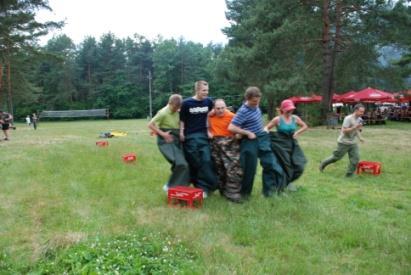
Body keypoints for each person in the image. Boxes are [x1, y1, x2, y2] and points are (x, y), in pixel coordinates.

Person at [228, 87, 286, 198]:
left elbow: (257, 118)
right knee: (250, 168)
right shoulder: (243, 111)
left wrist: (263, 129)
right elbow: (231, 127)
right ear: (247, 99)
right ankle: (245, 195)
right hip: (249, 140)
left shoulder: (256, 105)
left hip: (262, 137)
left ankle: (269, 192)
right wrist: (246, 132)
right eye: (254, 101)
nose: (256, 103)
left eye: (258, 100)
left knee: (270, 163)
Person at [180, 80, 218, 197]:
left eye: (207, 90)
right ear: (197, 90)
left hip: (203, 135)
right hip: (190, 136)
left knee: (206, 160)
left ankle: (207, 187)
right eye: (204, 90)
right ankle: (199, 185)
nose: (206, 93)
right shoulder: (186, 103)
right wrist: (182, 132)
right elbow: (182, 119)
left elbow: (214, 113)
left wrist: (210, 129)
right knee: (195, 161)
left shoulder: (208, 102)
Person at [148, 94, 190, 192]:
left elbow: (180, 123)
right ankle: (170, 187)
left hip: (176, 138)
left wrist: (181, 132)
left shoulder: (178, 110)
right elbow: (150, 124)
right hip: (166, 140)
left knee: (183, 163)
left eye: (179, 107)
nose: (177, 109)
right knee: (181, 163)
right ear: (170, 103)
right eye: (175, 107)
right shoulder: (162, 112)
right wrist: (163, 134)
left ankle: (179, 185)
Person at [264, 99, 308, 191]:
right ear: (282, 109)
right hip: (280, 145)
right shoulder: (277, 119)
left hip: (292, 144)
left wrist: (297, 133)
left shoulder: (295, 118)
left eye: (291, 109)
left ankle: (288, 181)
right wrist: (266, 133)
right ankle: (282, 186)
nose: (290, 111)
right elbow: (266, 128)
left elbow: (305, 126)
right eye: (288, 109)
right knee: (285, 165)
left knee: (299, 164)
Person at [208, 99, 242, 203]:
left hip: (230, 145)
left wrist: (237, 137)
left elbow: (238, 131)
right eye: (218, 108)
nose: (220, 110)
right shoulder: (209, 116)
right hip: (215, 145)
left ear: (226, 107)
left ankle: (233, 193)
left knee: (232, 168)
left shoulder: (232, 116)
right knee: (219, 169)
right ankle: (223, 192)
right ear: (214, 108)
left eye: (222, 108)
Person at [319, 103, 365, 177]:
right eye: (361, 111)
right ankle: (323, 163)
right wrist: (355, 127)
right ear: (356, 110)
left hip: (353, 143)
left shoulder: (360, 119)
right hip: (343, 142)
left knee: (355, 159)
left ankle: (349, 175)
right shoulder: (348, 118)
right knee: (336, 157)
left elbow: (357, 130)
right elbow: (344, 131)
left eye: (363, 112)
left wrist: (360, 137)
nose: (362, 113)